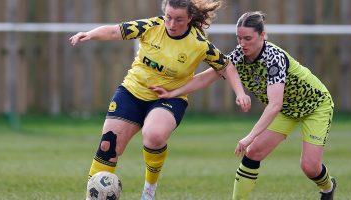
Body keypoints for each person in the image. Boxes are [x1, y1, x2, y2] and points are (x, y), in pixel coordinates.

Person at [69, 0, 251, 199]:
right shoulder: (151, 26)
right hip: (132, 91)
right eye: (169, 17)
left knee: (154, 135)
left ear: (190, 18)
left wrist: (240, 93)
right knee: (108, 146)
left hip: (169, 98)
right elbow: (115, 31)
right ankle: (93, 196)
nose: (172, 24)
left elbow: (226, 66)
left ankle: (149, 191)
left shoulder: (198, 44)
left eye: (179, 19)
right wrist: (90, 34)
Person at [151, 11, 337, 200]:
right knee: (253, 152)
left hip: (315, 106)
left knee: (309, 166)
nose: (242, 43)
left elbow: (274, 105)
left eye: (248, 38)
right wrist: (173, 92)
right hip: (286, 110)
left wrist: (249, 136)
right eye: (239, 38)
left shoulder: (274, 59)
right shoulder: (239, 55)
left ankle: (328, 188)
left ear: (262, 36)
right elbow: (208, 76)